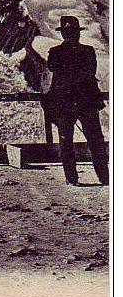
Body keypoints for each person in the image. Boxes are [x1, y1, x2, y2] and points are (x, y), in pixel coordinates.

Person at [45, 16, 108, 186]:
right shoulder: (88, 51)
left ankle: (72, 178)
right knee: (96, 141)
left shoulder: (55, 52)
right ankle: (104, 177)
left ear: (63, 34)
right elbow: (89, 72)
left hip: (64, 103)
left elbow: (52, 68)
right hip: (86, 102)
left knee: (66, 142)